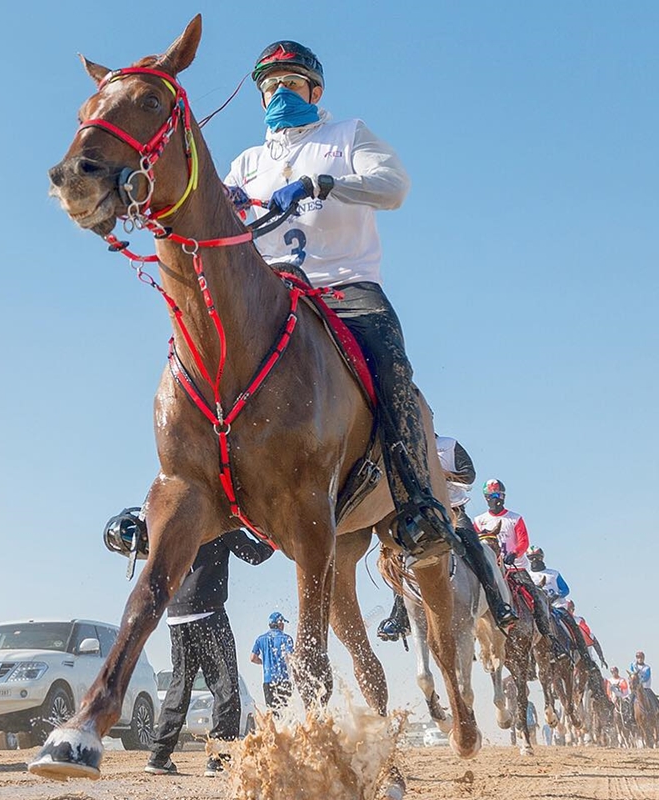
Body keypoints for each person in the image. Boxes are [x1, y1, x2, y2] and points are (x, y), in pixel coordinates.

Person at [225, 41, 460, 568]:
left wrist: (323, 182)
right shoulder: (246, 162)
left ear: (315, 91)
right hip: (274, 296)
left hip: (344, 287)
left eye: (288, 83)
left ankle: (417, 503)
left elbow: (394, 187)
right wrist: (225, 203)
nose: (277, 94)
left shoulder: (347, 134)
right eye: (269, 87)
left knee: (393, 369)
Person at [104, 511, 274, 777]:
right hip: (209, 613)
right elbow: (254, 555)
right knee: (226, 686)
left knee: (179, 686)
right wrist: (272, 538)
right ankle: (219, 760)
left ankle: (159, 756)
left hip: (176, 616)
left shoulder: (178, 523)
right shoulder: (220, 522)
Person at [378, 436, 518, 641]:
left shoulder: (449, 445)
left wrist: (441, 474)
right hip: (420, 513)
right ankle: (399, 616)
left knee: (476, 549)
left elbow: (469, 475)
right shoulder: (406, 446)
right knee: (398, 555)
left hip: (453, 511)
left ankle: (497, 605)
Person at [473, 479, 566, 660]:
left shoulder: (515, 518)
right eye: (492, 496)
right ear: (486, 498)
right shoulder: (479, 521)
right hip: (491, 569)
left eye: (499, 495)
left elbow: (524, 541)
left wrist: (515, 553)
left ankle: (549, 639)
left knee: (537, 597)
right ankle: (474, 637)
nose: (496, 499)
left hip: (515, 568)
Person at [251, 612, 295, 711]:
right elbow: (291, 657)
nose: (283, 625)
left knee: (272, 713)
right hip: (284, 681)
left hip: (268, 681)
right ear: (279, 624)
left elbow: (253, 658)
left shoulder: (260, 639)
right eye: (282, 623)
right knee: (286, 713)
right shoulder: (286, 638)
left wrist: (263, 662)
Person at [629, 650, 659, 725]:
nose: (639, 659)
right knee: (631, 700)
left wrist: (640, 679)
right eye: (638, 657)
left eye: (641, 657)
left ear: (643, 658)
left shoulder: (647, 668)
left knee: (655, 700)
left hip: (646, 688)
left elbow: (646, 677)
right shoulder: (633, 664)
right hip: (637, 689)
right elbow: (632, 671)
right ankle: (631, 717)